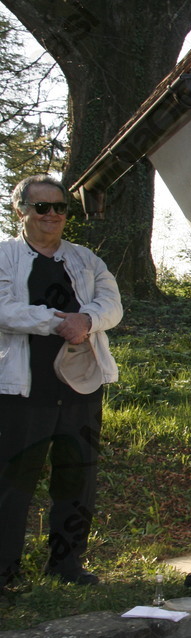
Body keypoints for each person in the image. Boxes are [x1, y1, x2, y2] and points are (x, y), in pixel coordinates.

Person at [0, 175, 122, 588]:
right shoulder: (5, 256)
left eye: (60, 207)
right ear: (21, 211)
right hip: (23, 388)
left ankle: (67, 564)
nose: (52, 214)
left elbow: (112, 304)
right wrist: (57, 322)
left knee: (77, 477)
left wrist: (87, 319)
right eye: (42, 207)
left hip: (80, 386)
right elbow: (4, 309)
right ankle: (5, 570)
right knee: (14, 479)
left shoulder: (86, 259)